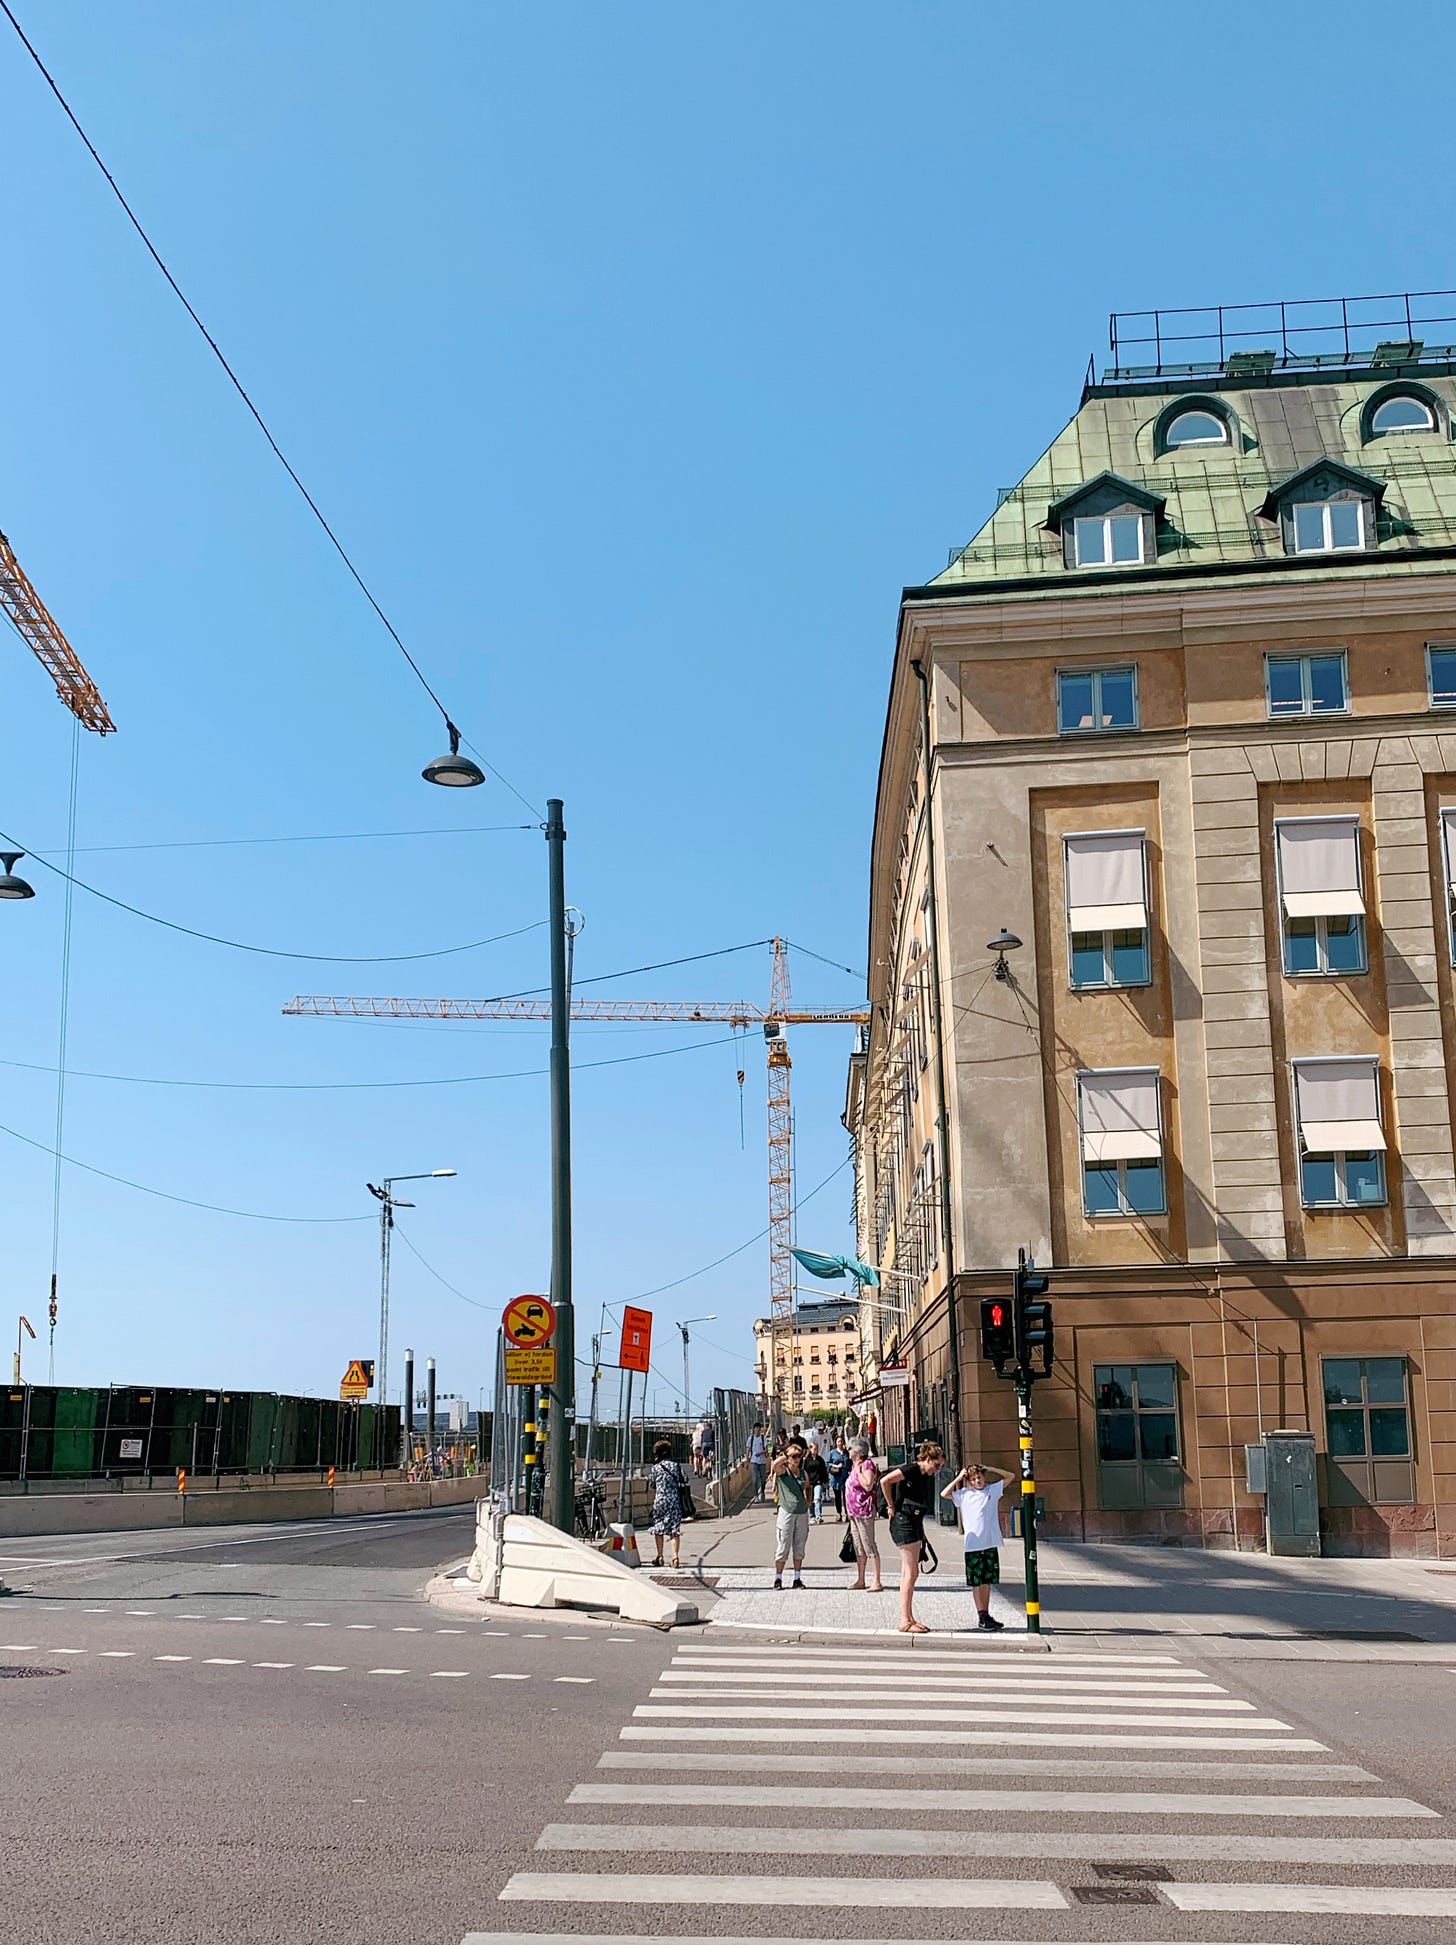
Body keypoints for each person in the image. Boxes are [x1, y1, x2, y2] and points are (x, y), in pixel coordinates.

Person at [878, 1440, 944, 1633]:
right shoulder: (913, 1469)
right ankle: (904, 1619)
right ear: (928, 1459)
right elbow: (885, 1481)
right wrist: (890, 1505)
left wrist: (921, 1532)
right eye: (937, 1464)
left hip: (913, 1522)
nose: (937, 1469)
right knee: (910, 1571)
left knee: (911, 1571)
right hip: (903, 1521)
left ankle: (909, 1617)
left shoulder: (923, 1475)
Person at [943, 1459, 1012, 1631]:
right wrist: (959, 1478)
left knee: (987, 1581)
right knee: (977, 1581)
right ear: (969, 1481)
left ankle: (986, 1613)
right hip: (973, 1545)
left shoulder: (992, 1490)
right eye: (973, 1479)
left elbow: (1011, 1476)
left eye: (979, 1478)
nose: (977, 1481)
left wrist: (991, 1467)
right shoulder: (964, 1494)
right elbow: (944, 1493)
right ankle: (981, 1614)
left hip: (989, 1542)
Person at [769, 1436, 810, 1589]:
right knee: (783, 1545)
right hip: (786, 1513)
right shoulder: (783, 1472)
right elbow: (774, 1464)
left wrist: (808, 1502)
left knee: (799, 1547)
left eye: (798, 1456)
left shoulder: (803, 1473)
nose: (797, 1459)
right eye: (794, 1456)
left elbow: (807, 1487)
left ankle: (797, 1578)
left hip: (801, 1514)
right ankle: (778, 1578)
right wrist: (786, 1456)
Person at [843, 1437, 882, 1592]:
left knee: (869, 1544)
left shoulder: (866, 1465)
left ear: (858, 1451)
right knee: (859, 1546)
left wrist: (859, 1472)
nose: (848, 1451)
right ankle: (861, 1579)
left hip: (864, 1510)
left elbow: (868, 1485)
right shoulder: (854, 1466)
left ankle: (877, 1581)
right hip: (854, 1512)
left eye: (850, 1449)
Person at [649, 1437, 690, 1570]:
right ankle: (675, 1557)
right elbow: (685, 1478)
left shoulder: (655, 1468)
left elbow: (651, 1483)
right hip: (674, 1501)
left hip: (660, 1500)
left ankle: (660, 1556)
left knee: (658, 1528)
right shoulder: (676, 1466)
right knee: (674, 1530)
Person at [824, 1438, 849, 1522]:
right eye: (838, 1441)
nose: (840, 1443)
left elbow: (851, 1463)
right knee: (838, 1497)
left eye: (841, 1441)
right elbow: (827, 1463)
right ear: (836, 1443)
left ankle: (847, 1514)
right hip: (836, 1479)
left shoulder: (846, 1453)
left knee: (846, 1497)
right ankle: (839, 1513)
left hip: (845, 1478)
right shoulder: (832, 1453)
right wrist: (836, 1466)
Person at [804, 1443, 829, 1523]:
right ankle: (812, 1516)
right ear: (810, 1449)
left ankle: (819, 1516)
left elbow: (824, 1471)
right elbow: (803, 1471)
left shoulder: (820, 1459)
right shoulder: (807, 1460)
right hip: (809, 1482)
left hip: (818, 1482)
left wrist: (825, 1481)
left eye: (816, 1449)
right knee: (810, 1499)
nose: (815, 1451)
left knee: (817, 1498)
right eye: (813, 1449)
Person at [747, 1422, 769, 1502]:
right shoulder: (751, 1439)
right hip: (754, 1461)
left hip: (762, 1462)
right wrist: (747, 1461)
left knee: (763, 1479)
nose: (758, 1430)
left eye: (759, 1428)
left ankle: (762, 1491)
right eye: (756, 1428)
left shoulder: (763, 1438)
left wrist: (761, 1452)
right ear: (754, 1429)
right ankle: (755, 1495)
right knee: (755, 1479)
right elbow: (748, 1450)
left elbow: (767, 1449)